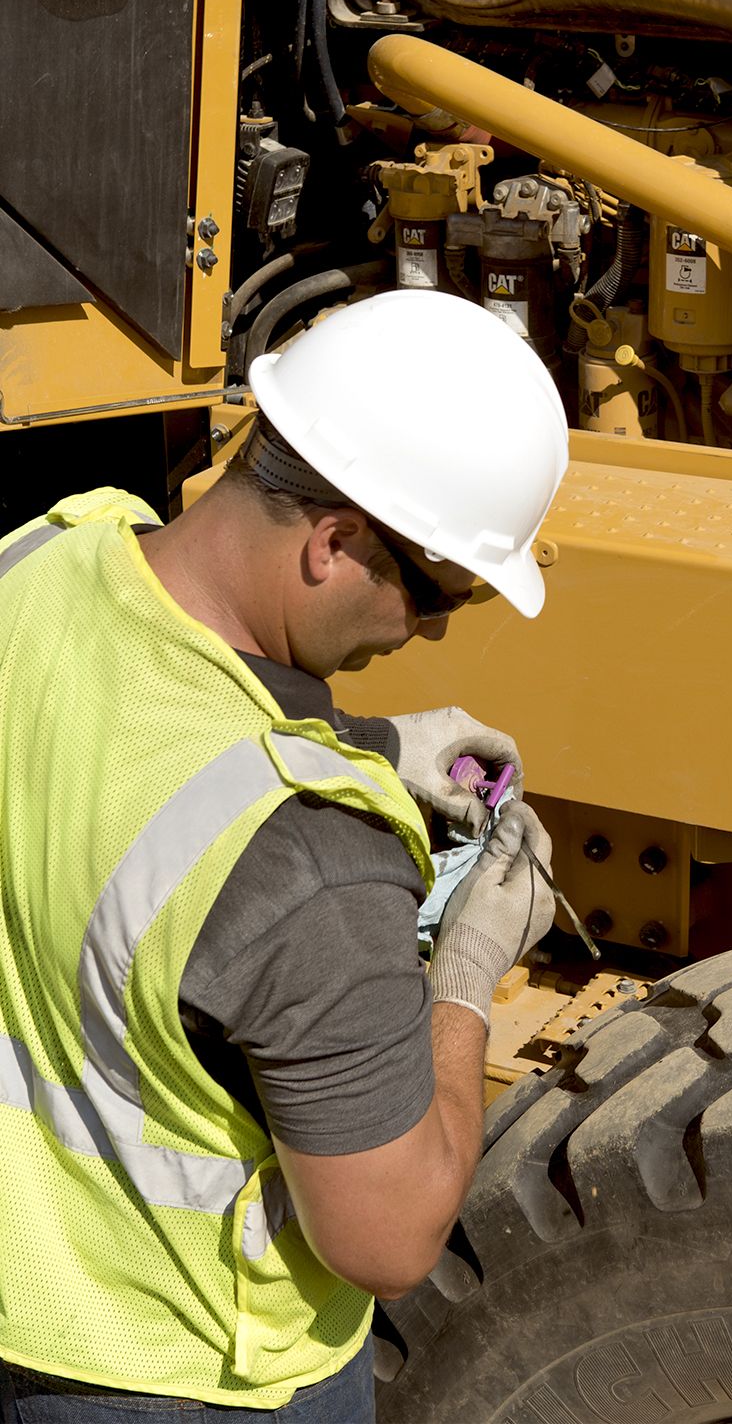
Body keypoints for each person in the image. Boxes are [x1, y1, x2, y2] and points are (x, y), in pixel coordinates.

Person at [0, 290, 571, 1421]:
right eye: (442, 590)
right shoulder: (314, 866)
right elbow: (387, 1238)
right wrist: (465, 976)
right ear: (335, 542)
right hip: (173, 1374)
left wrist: (364, 746)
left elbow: (117, 752)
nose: (436, 628)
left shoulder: (40, 560)